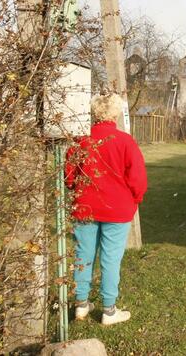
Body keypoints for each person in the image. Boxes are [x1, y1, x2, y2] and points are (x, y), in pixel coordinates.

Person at [65, 93, 147, 325]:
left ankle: (81, 304)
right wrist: (135, 199)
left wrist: (75, 188)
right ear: (116, 112)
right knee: (110, 259)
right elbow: (138, 179)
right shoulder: (125, 141)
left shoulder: (80, 141)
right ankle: (108, 311)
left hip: (85, 208)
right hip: (117, 209)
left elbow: (69, 176)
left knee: (83, 255)